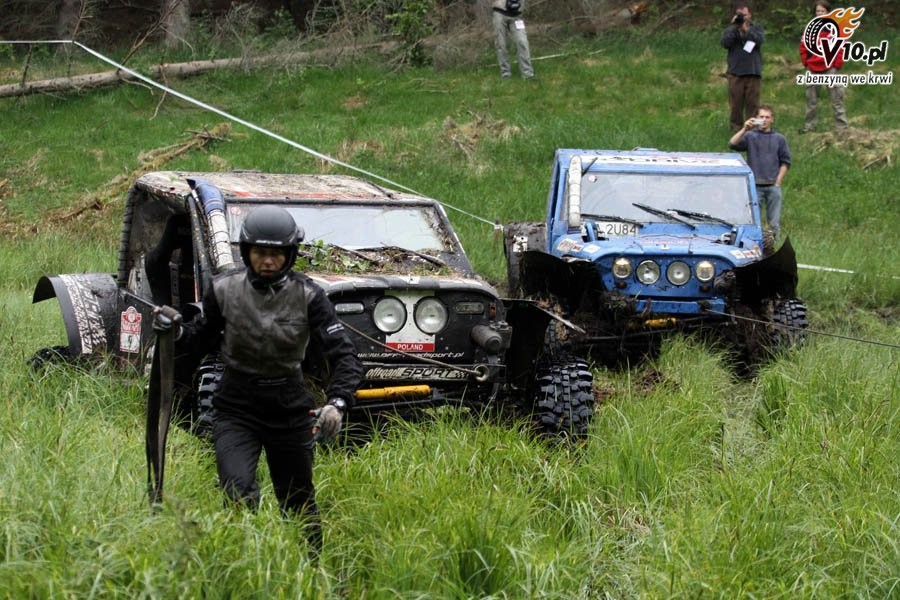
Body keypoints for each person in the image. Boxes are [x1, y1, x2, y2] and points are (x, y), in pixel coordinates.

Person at [163, 204, 363, 554]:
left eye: (276, 254)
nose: (268, 261)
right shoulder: (223, 290)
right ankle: (243, 565)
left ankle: (311, 567)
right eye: (259, 253)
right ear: (246, 252)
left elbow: (345, 356)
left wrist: (337, 403)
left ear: (290, 254)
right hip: (236, 408)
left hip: (290, 409)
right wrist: (176, 331)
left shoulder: (310, 296)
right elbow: (199, 341)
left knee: (298, 502)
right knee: (237, 493)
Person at [728, 105, 792, 240]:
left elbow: (785, 162)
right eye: (761, 117)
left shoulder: (779, 139)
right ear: (756, 118)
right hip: (754, 187)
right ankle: (754, 244)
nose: (764, 120)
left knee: (774, 223)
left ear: (772, 119)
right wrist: (745, 128)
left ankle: (773, 245)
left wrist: (778, 182)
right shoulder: (750, 136)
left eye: (767, 117)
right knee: (753, 222)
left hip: (773, 186)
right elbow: (732, 144)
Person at [799, 1, 848, 133]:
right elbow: (803, 47)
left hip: (830, 68)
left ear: (828, 12)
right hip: (812, 68)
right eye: (818, 11)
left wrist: (837, 64)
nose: (820, 13)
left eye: (823, 11)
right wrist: (806, 62)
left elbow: (841, 47)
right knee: (811, 100)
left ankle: (841, 128)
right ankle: (809, 127)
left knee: (837, 98)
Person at [721, 3, 765, 132]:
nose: (742, 17)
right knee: (735, 104)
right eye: (739, 15)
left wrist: (746, 30)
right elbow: (725, 43)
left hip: (752, 72)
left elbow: (759, 40)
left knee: (753, 104)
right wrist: (735, 28)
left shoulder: (756, 28)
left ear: (750, 15)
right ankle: (736, 129)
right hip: (735, 72)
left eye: (744, 15)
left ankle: (754, 130)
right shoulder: (731, 30)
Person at [491, 0, 535, 80]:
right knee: (501, 44)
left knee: (522, 41)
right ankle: (506, 74)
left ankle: (528, 74)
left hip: (517, 14)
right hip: (499, 12)